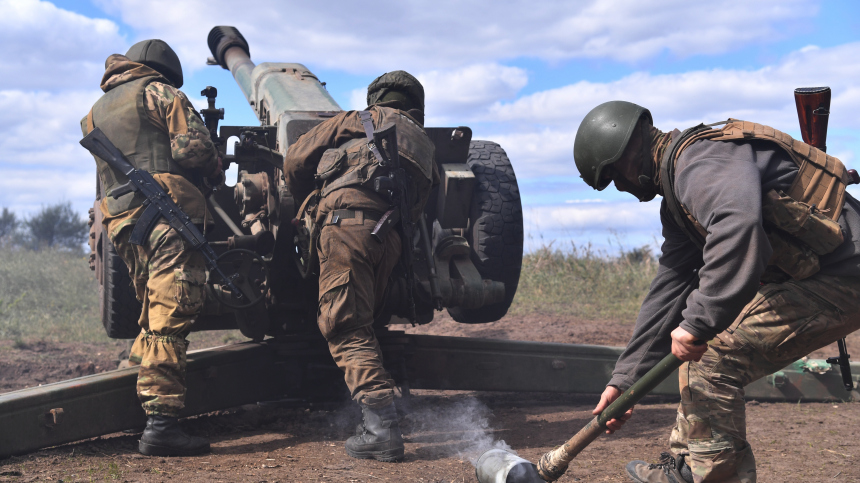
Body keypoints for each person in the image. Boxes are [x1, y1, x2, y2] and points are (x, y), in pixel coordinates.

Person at [573, 101, 860, 483]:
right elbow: (671, 285)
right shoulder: (679, 193)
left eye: (614, 177)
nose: (622, 188)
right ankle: (685, 466)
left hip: (845, 274)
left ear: (628, 154)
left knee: (713, 356)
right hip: (826, 276)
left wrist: (698, 322)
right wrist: (624, 379)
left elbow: (738, 226)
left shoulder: (697, 163)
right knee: (703, 348)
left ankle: (707, 475)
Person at [283, 70, 437, 462]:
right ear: (416, 107)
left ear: (376, 100)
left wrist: (308, 206)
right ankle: (377, 412)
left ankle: (381, 426)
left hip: (344, 227)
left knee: (345, 322)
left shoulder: (357, 120)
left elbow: (296, 160)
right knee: (363, 319)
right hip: (390, 239)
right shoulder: (423, 143)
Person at [82, 39, 221, 456]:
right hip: (166, 214)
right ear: (160, 70)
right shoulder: (159, 92)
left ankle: (132, 387)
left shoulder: (94, 113)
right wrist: (213, 160)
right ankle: (162, 424)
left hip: (124, 223)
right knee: (170, 312)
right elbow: (191, 149)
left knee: (150, 307)